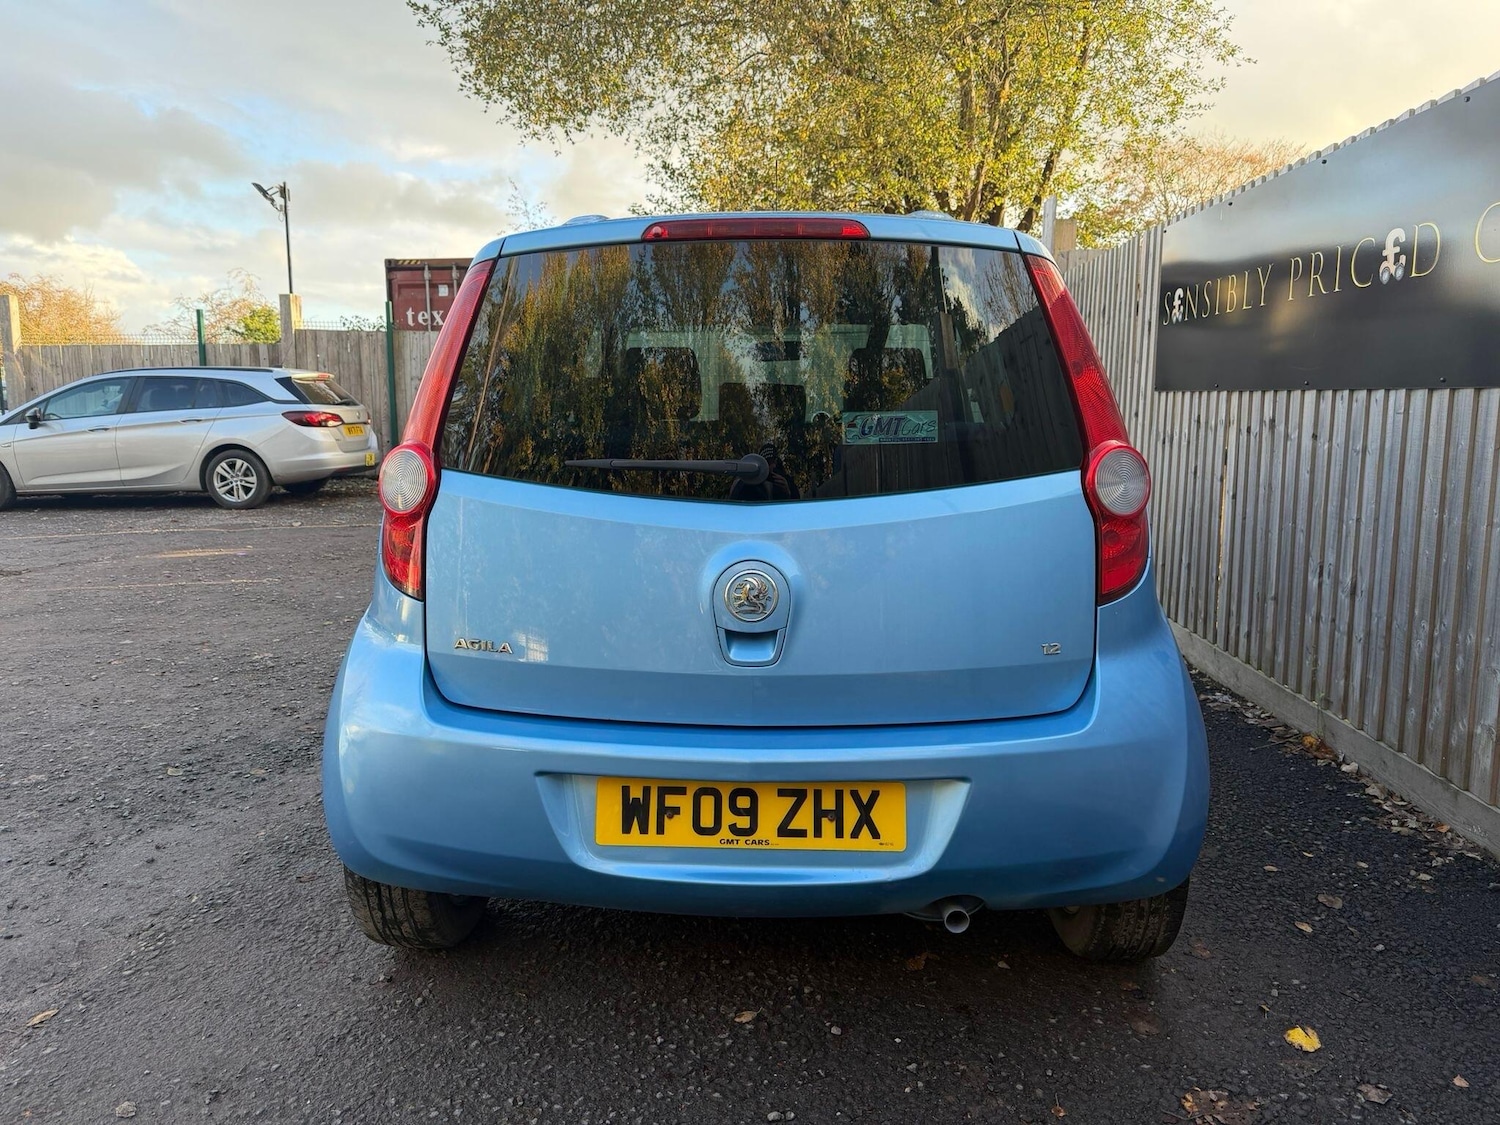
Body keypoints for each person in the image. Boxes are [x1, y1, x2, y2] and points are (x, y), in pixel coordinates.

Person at [729, 442, 801, 501]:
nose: (773, 466)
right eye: (768, 463)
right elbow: (735, 503)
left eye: (774, 462)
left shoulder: (786, 481)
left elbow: (796, 507)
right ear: (760, 464)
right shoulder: (746, 481)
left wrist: (787, 491)